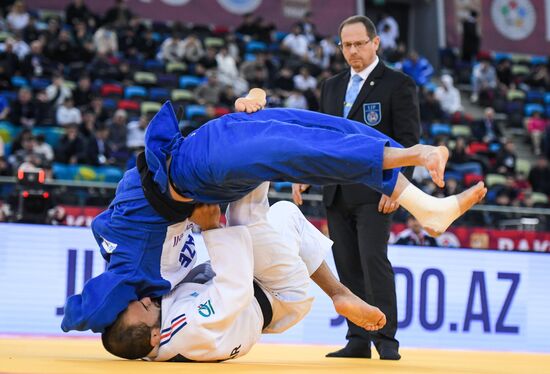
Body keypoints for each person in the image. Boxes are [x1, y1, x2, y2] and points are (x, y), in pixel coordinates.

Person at [61, 88, 486, 335]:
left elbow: (92, 310)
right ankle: (414, 157)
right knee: (290, 147)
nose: (150, 307)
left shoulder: (129, 271)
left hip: (193, 171)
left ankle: (423, 204)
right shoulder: (164, 311)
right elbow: (94, 314)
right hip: (199, 177)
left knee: (309, 128)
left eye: (138, 309)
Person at [102, 183, 386, 361]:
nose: (143, 300)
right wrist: (211, 227)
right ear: (155, 336)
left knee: (286, 214)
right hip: (278, 292)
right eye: (142, 307)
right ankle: (258, 140)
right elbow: (236, 288)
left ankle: (338, 293)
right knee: (243, 216)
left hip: (263, 294)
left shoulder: (145, 343)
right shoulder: (188, 331)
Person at [293, 15, 420, 360]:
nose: (352, 51)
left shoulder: (397, 84)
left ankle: (386, 341)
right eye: (346, 45)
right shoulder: (331, 86)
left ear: (375, 43)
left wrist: (395, 187)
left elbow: (408, 141)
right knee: (346, 264)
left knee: (373, 261)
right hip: (336, 189)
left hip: (376, 191)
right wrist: (306, 173)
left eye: (359, 44)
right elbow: (322, 140)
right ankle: (358, 339)